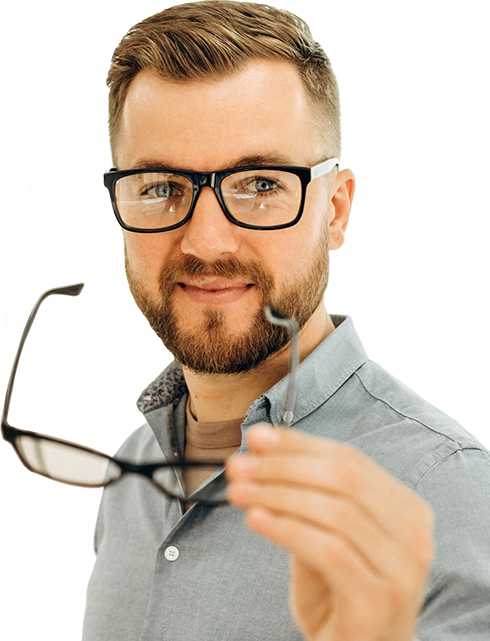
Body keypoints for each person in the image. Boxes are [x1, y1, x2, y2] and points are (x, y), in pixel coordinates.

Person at [83, 2, 490, 640]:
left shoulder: (450, 493)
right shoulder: (130, 470)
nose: (207, 242)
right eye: (161, 187)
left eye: (261, 184)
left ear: (336, 209)